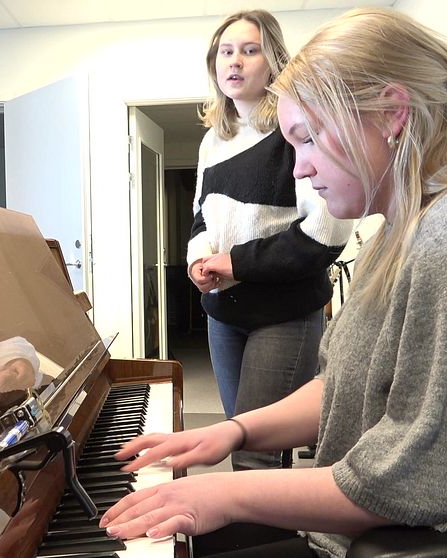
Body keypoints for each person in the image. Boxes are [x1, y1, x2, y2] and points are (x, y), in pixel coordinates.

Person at [99, 8, 447, 558]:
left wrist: (225, 492)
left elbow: (436, 487)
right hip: (374, 531)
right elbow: (348, 385)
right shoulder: (403, 230)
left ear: (391, 114)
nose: (299, 168)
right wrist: (234, 431)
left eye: (309, 138)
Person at [188, 9, 353, 471]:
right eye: (226, 51)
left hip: (283, 315)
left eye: (249, 50)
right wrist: (199, 259)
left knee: (255, 455)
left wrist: (236, 263)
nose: (235, 61)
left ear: (274, 61)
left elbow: (327, 233)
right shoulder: (212, 141)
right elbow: (201, 215)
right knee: (238, 439)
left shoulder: (295, 130)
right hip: (223, 315)